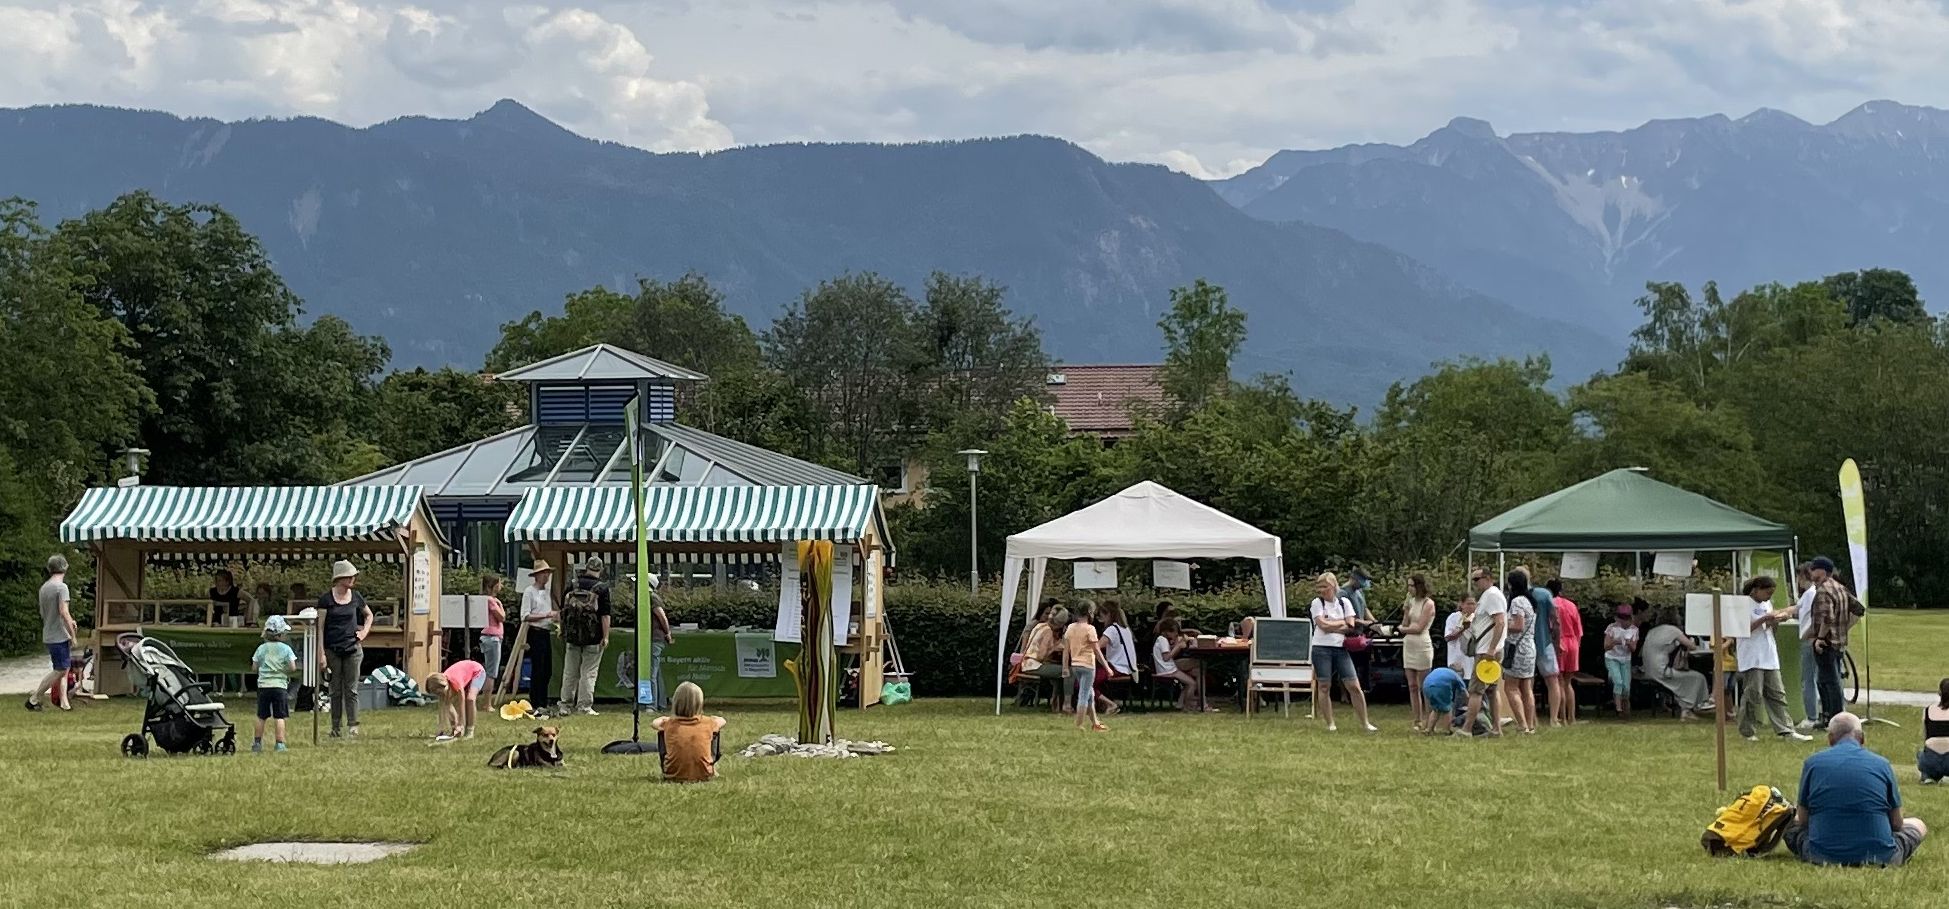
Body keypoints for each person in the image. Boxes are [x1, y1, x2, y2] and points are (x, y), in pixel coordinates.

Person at [1786, 713, 1927, 866]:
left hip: (1820, 853)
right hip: (1882, 855)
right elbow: (1897, 823)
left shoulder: (1812, 763)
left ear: (1830, 738)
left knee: (1786, 821)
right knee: (1918, 824)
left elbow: (1803, 819)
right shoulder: (1882, 764)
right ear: (1862, 738)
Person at [1737, 577, 1813, 743]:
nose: (1768, 597)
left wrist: (1777, 620)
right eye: (1767, 593)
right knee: (1753, 693)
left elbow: (1770, 629)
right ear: (1756, 589)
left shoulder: (1767, 605)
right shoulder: (1743, 604)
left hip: (1768, 654)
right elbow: (1742, 629)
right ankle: (1747, 730)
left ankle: (1786, 729)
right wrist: (1764, 619)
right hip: (1752, 655)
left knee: (1777, 693)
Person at [1309, 572, 1377, 733]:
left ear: (1333, 585)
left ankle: (1365, 722)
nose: (1322, 591)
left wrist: (1332, 624)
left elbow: (1351, 625)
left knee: (1353, 685)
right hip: (1321, 648)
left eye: (1324, 587)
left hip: (1341, 647)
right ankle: (1330, 723)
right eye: (1319, 588)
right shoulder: (1317, 603)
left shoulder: (1344, 602)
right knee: (1324, 685)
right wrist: (1340, 624)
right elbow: (1322, 626)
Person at [1807, 556, 1864, 725]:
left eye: (1814, 569)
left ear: (1823, 571)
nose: (1811, 572)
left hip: (1826, 644)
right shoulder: (1840, 588)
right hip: (1839, 643)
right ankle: (1830, 716)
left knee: (1828, 682)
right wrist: (1845, 627)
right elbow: (1859, 609)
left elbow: (1827, 618)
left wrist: (1819, 638)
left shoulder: (1824, 590)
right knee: (1831, 680)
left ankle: (1834, 718)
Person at [318, 560, 373, 738]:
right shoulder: (326, 600)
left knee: (352, 689)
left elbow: (369, 615)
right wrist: (321, 653)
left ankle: (353, 725)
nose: (353, 579)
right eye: (350, 576)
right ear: (340, 578)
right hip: (332, 648)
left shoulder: (356, 596)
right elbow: (319, 627)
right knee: (335, 689)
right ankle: (335, 727)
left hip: (353, 648)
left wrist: (364, 631)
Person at [558, 558, 613, 717]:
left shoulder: (572, 585)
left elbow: (563, 611)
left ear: (586, 568)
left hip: (572, 636)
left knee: (570, 671)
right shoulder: (602, 588)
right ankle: (584, 706)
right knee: (588, 672)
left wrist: (563, 630)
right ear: (600, 570)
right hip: (593, 637)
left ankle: (565, 705)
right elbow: (605, 615)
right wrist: (606, 636)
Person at [26, 555, 78, 712]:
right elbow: (64, 611)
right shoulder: (61, 588)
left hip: (48, 632)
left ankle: (63, 702)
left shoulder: (44, 588)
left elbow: (45, 613)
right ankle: (34, 698)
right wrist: (73, 635)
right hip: (59, 635)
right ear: (64, 567)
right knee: (61, 669)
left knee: (62, 667)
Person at [1459, 568, 1507, 737]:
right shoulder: (1489, 595)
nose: (1475, 583)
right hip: (1489, 649)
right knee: (1492, 691)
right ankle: (1496, 729)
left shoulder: (1492, 595)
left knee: (1475, 690)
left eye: (1476, 579)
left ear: (1487, 578)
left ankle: (1466, 730)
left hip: (1487, 651)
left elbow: (1500, 622)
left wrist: (1491, 649)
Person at [1640, 610, 1712, 719]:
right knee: (1698, 677)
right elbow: (1691, 646)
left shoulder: (1652, 631)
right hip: (1661, 671)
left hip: (1648, 670)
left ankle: (1688, 707)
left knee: (1690, 676)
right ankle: (1688, 708)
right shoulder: (1673, 631)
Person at [652, 681, 727, 782]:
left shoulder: (669, 724)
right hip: (705, 774)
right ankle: (711, 766)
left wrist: (668, 718)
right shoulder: (708, 722)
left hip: (672, 775)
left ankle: (668, 768)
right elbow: (722, 721)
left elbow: (655, 723)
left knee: (662, 732)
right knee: (715, 731)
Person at [250, 615, 299, 752]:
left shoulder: (261, 648)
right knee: (280, 716)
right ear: (281, 634)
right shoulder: (286, 649)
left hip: (263, 686)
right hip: (280, 686)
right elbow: (292, 667)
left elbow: (254, 667)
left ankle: (257, 743)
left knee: (261, 716)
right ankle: (280, 743)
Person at [1400, 574, 1437, 731]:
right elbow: (1405, 623)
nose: (1410, 589)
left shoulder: (1428, 604)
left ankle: (1430, 718)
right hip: (1409, 645)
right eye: (1408, 586)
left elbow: (1419, 627)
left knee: (1424, 686)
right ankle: (1417, 719)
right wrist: (1406, 609)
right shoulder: (1411, 602)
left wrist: (1404, 630)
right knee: (1412, 685)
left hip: (1422, 644)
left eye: (1412, 586)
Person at [1063, 601, 1107, 732]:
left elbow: (1066, 650)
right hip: (1088, 665)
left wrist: (1065, 667)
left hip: (1075, 665)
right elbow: (1097, 651)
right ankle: (1079, 724)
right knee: (1084, 694)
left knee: (1090, 694)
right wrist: (1107, 667)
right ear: (1090, 613)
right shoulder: (1090, 629)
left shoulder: (1070, 628)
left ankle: (1095, 723)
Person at [1504, 570, 1539, 735]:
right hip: (1530, 647)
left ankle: (1522, 724)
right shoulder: (1530, 601)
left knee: (1510, 687)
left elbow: (1518, 626)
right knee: (1526, 688)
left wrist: (1502, 625)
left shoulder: (1517, 601)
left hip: (1518, 648)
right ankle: (1530, 724)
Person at [521, 561, 558, 710]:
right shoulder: (529, 592)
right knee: (538, 668)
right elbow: (525, 616)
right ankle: (536, 701)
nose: (546, 576)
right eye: (544, 573)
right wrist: (546, 615)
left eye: (548, 573)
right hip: (535, 632)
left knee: (547, 669)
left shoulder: (548, 592)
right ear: (536, 575)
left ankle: (543, 700)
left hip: (546, 631)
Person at [1528, 573, 1562, 729]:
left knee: (1526, 683)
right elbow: (1555, 620)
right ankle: (1554, 719)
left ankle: (1532, 719)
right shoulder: (1544, 594)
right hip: (1544, 641)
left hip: (1524, 644)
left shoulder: (1514, 596)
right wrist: (1557, 641)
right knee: (1553, 680)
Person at [1547, 579, 1583, 726]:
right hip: (1573, 642)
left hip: (1559, 643)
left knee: (1558, 682)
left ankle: (1561, 717)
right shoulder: (1571, 605)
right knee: (1568, 683)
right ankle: (1572, 717)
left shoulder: (1551, 604)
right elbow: (1579, 630)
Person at [425, 658, 487, 742]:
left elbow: (462, 704)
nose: (439, 695)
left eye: (438, 692)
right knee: (446, 701)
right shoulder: (444, 684)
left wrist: (461, 724)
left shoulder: (455, 681)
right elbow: (446, 707)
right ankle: (455, 729)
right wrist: (452, 727)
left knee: (470, 699)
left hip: (477, 671)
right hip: (465, 673)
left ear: (442, 685)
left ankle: (470, 731)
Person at [1021, 606, 1068, 711]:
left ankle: (1055, 702)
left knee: (1057, 674)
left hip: (1027, 663)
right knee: (1066, 672)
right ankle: (1064, 704)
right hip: (1034, 665)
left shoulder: (1040, 626)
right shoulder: (1048, 631)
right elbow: (1041, 656)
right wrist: (1055, 648)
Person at [1151, 618, 1202, 711]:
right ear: (1166, 631)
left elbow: (1168, 651)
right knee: (1192, 683)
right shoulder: (1162, 640)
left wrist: (1177, 644)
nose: (1175, 634)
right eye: (1174, 632)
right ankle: (1187, 706)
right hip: (1168, 670)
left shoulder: (1162, 640)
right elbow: (1166, 657)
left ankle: (1184, 704)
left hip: (1168, 669)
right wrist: (1178, 646)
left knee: (1191, 679)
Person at [1098, 601, 1138, 715]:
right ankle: (1104, 704)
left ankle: (1110, 704)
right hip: (1128, 668)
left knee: (1083, 681)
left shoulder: (1111, 630)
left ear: (1108, 615)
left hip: (1116, 668)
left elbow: (1097, 647)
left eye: (1102, 616)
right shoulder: (1125, 629)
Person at [1793, 563, 1820, 729]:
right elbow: (1797, 608)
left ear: (1803, 576)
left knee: (1808, 679)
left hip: (1808, 639)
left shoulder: (1811, 594)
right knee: (1814, 678)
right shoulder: (1809, 594)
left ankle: (1811, 716)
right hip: (1811, 639)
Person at [1602, 604, 1639, 718]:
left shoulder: (1634, 630)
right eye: (1621, 618)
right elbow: (1606, 646)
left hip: (1625, 659)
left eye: (1626, 619)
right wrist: (1615, 641)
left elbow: (1633, 649)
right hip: (1612, 658)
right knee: (1618, 682)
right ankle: (1618, 710)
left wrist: (1629, 644)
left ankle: (1625, 705)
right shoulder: (1611, 628)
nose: (1624, 622)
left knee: (1626, 686)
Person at [645, 574, 673, 711]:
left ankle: (651, 705)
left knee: (651, 673)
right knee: (656, 673)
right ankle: (661, 703)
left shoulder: (651, 597)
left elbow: (662, 616)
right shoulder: (651, 596)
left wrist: (667, 633)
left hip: (654, 638)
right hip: (656, 638)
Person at [1421, 666, 1472, 736]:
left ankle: (1429, 729)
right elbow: (1465, 694)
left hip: (1426, 685)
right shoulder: (1457, 676)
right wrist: (1470, 706)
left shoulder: (1444, 671)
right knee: (1448, 709)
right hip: (1440, 686)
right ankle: (1447, 730)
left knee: (1436, 709)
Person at [479, 575, 505, 695]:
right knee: (491, 672)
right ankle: (487, 702)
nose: (501, 586)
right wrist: (500, 605)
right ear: (493, 586)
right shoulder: (491, 601)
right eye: (499, 584)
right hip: (492, 637)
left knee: (490, 670)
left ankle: (487, 701)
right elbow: (501, 617)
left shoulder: (486, 600)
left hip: (491, 638)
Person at [1920, 679, 1949, 784]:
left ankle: (1927, 776)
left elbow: (1925, 736)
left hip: (1930, 761)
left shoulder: (1928, 710)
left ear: (1939, 693)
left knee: (1920, 753)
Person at [1444, 596, 1476, 680]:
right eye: (1468, 603)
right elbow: (1447, 638)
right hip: (1456, 660)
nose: (1471, 606)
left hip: (1471, 661)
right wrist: (1462, 629)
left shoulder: (1477, 618)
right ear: (1461, 604)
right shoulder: (1453, 617)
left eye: (1473, 604)